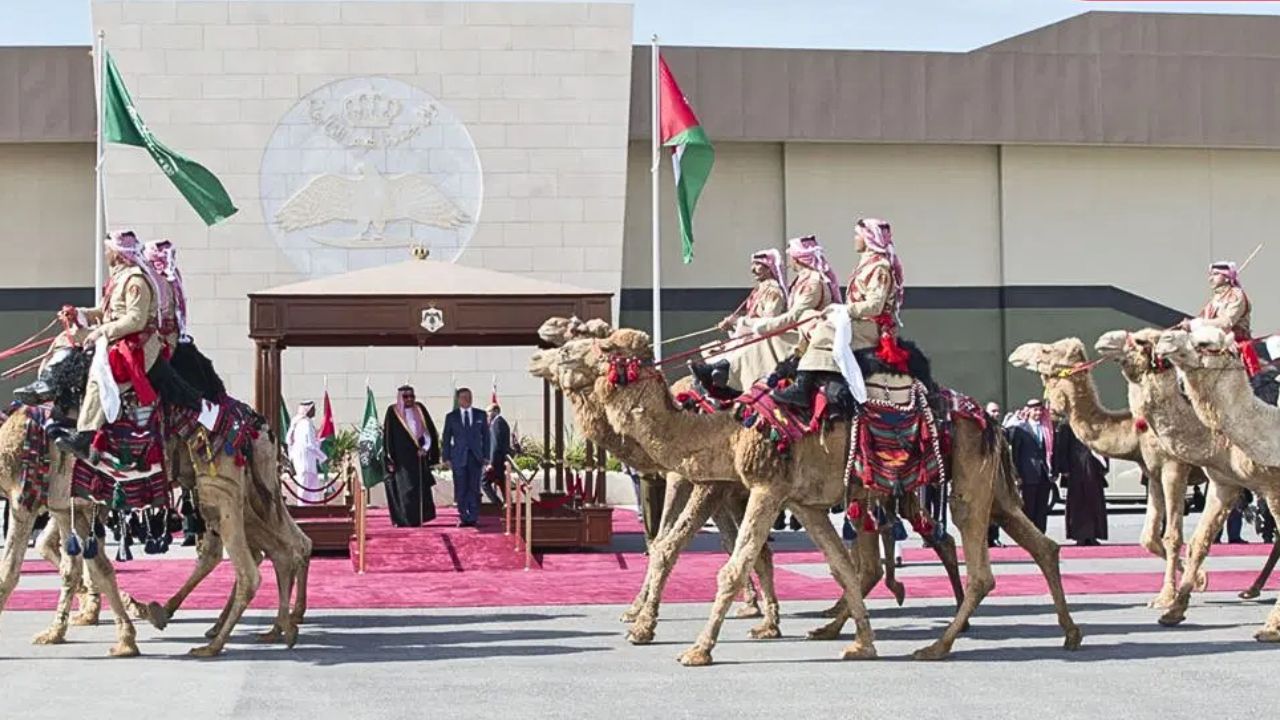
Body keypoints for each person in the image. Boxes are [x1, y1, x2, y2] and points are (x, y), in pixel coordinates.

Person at [28, 231, 168, 458]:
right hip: (114, 335)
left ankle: (85, 434)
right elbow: (104, 313)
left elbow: (136, 320)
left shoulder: (136, 281)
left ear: (119, 253)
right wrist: (78, 315)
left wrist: (102, 331)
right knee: (65, 339)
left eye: (108, 249)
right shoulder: (118, 278)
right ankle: (47, 384)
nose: (105, 253)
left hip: (137, 342)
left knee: (100, 372)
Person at [773, 219, 903, 410]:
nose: (855, 239)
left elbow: (875, 306)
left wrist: (844, 310)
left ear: (868, 239)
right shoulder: (867, 264)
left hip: (871, 326)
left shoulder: (879, 267)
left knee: (826, 328)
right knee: (812, 318)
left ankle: (803, 386)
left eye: (858, 235)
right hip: (857, 321)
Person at [690, 248, 789, 398]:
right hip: (749, 335)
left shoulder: (773, 291)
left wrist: (738, 322)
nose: (753, 269)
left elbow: (769, 322)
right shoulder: (759, 290)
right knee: (713, 349)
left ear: (769, 269)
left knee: (735, 357)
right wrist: (733, 324)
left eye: (757, 265)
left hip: (762, 340)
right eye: (753, 264)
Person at [1185, 260, 1259, 375]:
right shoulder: (1215, 299)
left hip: (1234, 343)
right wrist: (1188, 325)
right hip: (1213, 342)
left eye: (1215, 274)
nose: (1211, 278)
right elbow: (1202, 318)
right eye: (1211, 275)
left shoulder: (1236, 295)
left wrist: (1199, 323)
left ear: (1226, 277)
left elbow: (1226, 323)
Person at [382, 385, 440, 527]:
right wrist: (389, 458)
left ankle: (418, 519)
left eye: (412, 396)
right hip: (401, 460)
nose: (409, 399)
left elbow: (428, 432)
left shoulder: (419, 409)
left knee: (419, 489)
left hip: (418, 458)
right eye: (406, 397)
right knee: (406, 490)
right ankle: (405, 519)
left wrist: (425, 449)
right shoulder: (393, 411)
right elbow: (388, 436)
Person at [1053, 411, 1109, 546]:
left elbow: (1104, 445)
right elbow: (1062, 448)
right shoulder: (1067, 425)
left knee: (1094, 503)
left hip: (1093, 469)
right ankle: (1080, 535)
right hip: (1075, 469)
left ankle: (1094, 534)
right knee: (1078, 504)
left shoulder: (1097, 424)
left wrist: (1104, 466)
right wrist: (1064, 469)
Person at [442, 387, 490, 528]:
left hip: (475, 457)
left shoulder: (480, 415)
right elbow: (446, 438)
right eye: (464, 397)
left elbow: (486, 437)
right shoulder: (451, 417)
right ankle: (463, 516)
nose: (467, 399)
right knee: (461, 487)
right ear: (458, 399)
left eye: (469, 396)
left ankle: (473, 516)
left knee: (474, 488)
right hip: (458, 457)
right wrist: (446, 457)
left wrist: (486, 456)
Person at [1009, 399, 1054, 533]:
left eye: (1040, 410)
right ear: (1028, 411)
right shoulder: (1020, 429)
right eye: (1035, 410)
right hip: (1028, 474)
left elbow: (1052, 450)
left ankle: (1041, 535)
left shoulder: (1047, 429)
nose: (1038, 413)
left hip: (1045, 474)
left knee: (1042, 508)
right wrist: (1016, 475)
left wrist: (1054, 470)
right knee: (1028, 507)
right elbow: (1016, 454)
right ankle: (1029, 536)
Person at [286, 401, 327, 505]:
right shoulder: (305, 423)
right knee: (305, 485)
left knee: (311, 486)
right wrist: (323, 457)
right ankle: (303, 509)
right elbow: (308, 444)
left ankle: (312, 508)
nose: (315, 411)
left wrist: (319, 441)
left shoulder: (302, 422)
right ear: (307, 410)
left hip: (306, 459)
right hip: (305, 460)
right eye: (313, 409)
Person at [482, 403, 511, 506]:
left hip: (497, 461)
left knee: (484, 482)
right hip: (501, 461)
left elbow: (495, 445)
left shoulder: (497, 423)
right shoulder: (500, 423)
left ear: (495, 411)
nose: (487, 415)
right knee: (501, 482)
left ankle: (498, 504)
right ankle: (507, 503)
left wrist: (491, 463)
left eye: (488, 412)